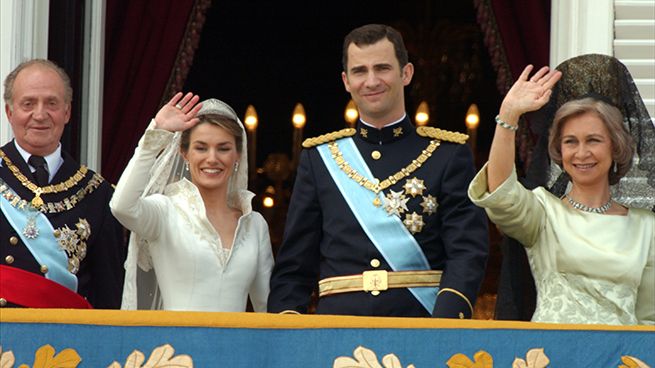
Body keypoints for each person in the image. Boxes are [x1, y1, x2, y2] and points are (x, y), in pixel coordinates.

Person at [268, 24, 489, 318]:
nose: (371, 81)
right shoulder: (319, 159)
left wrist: (444, 328)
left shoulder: (447, 154)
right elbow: (295, 265)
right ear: (346, 81)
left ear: (406, 73)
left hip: (421, 326)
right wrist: (289, 331)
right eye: (360, 71)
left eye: (382, 68)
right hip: (337, 333)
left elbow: (467, 252)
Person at [468, 64, 655, 325]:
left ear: (616, 147)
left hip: (620, 361)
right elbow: (501, 194)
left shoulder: (647, 227)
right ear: (559, 150)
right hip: (550, 355)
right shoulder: (544, 213)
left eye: (593, 140)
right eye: (570, 142)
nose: (581, 153)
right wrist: (508, 115)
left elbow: (649, 320)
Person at [110, 93, 274, 312]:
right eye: (201, 147)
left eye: (223, 148)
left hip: (238, 346)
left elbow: (267, 305)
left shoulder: (254, 224)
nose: (212, 158)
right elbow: (121, 206)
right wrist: (155, 135)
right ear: (184, 153)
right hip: (178, 344)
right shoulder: (165, 212)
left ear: (238, 155)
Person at [0, 59, 125, 309]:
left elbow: (108, 296)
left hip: (64, 343)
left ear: (67, 112)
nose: (40, 114)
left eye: (52, 103)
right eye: (28, 103)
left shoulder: (97, 193)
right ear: (9, 112)